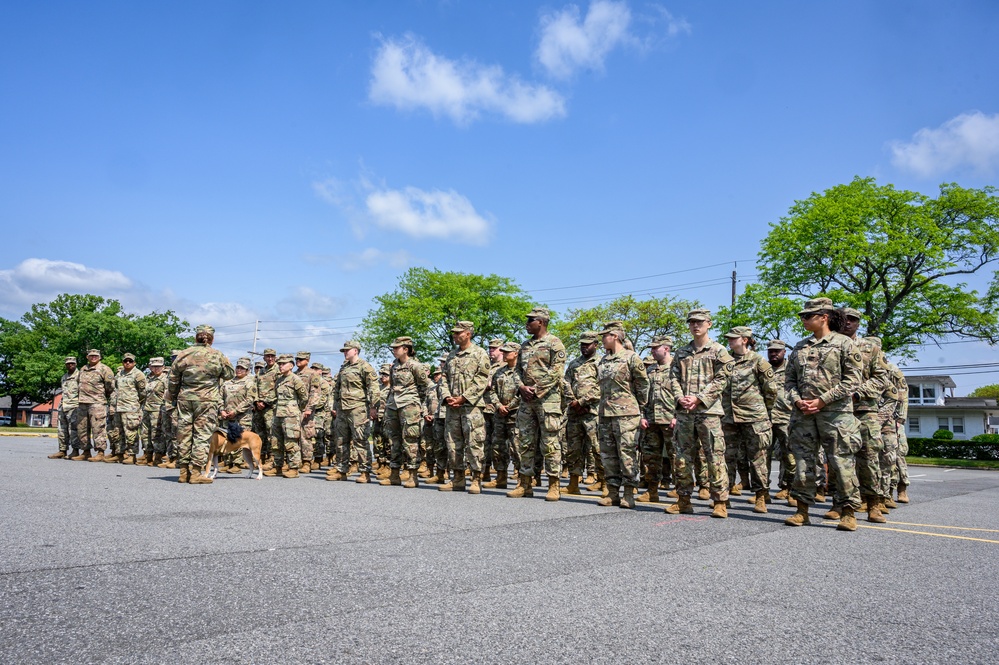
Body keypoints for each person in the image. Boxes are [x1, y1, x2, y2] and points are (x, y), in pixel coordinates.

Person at [783, 298, 864, 531]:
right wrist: (798, 400)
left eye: (808, 316)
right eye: (803, 316)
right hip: (803, 415)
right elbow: (789, 381)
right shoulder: (799, 347)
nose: (803, 319)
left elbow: (853, 381)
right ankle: (802, 511)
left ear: (824, 317)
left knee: (841, 463)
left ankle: (848, 512)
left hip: (836, 415)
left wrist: (822, 400)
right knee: (803, 463)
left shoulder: (844, 344)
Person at [665, 309, 734, 518]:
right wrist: (680, 397)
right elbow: (673, 378)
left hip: (708, 412)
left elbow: (722, 379)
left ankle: (720, 501)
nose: (695, 326)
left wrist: (699, 398)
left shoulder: (719, 351)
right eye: (692, 322)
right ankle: (684, 499)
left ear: (709, 324)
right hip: (685, 412)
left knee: (714, 456)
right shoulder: (682, 352)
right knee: (682, 457)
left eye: (700, 322)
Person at [509, 307, 567, 501]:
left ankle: (554, 485)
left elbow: (557, 371)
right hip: (526, 402)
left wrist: (537, 388)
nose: (527, 323)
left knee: (550, 443)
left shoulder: (555, 343)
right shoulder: (524, 345)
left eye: (531, 320)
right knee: (524, 442)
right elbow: (516, 371)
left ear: (541, 322)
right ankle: (525, 484)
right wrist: (521, 387)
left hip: (547, 400)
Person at [840, 308, 891, 523]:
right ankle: (840, 504)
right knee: (839, 460)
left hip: (864, 410)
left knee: (869, 457)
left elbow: (881, 378)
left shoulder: (871, 348)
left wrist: (858, 393)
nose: (849, 323)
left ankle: (873, 505)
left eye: (853, 320)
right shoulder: (832, 346)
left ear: (859, 324)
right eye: (845, 319)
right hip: (838, 411)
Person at [168, 325, 234, 484]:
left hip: (185, 400)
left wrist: (174, 397)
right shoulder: (217, 355)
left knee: (184, 434)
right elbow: (229, 374)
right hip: (207, 401)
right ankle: (196, 472)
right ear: (211, 339)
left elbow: (173, 379)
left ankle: (183, 472)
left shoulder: (184, 354)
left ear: (196, 337)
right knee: (202, 436)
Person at [721, 327, 777, 514]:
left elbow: (771, 390)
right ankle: (724, 496)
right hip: (729, 417)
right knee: (726, 457)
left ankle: (761, 496)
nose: (729, 341)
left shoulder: (758, 361)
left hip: (754, 416)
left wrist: (764, 413)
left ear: (744, 340)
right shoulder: (725, 361)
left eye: (733, 338)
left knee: (757, 458)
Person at [595, 322, 650, 509]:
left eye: (605, 336)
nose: (602, 339)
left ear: (615, 336)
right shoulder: (603, 360)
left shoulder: (631, 358)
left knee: (626, 453)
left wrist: (640, 408)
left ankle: (629, 492)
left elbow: (643, 385)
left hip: (627, 414)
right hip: (605, 414)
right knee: (608, 455)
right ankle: (612, 492)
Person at [440, 321, 491, 493]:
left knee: (474, 442)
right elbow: (444, 378)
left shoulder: (480, 353)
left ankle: (476, 478)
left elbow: (481, 380)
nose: (455, 335)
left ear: (468, 333)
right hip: (452, 407)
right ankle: (458, 478)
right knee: (453, 443)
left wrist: (463, 398)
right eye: (454, 333)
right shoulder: (451, 355)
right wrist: (447, 396)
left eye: (458, 333)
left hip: (472, 407)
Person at [381, 337, 432, 488]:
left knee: (410, 440)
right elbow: (392, 387)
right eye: (393, 347)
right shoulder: (394, 366)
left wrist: (417, 403)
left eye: (397, 347)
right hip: (393, 406)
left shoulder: (415, 366)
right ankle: (394, 474)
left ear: (406, 349)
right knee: (393, 440)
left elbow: (427, 386)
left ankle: (412, 475)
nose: (394, 350)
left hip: (409, 407)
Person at [327, 340, 381, 484]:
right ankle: (341, 470)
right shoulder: (344, 367)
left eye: (347, 350)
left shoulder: (365, 366)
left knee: (360, 441)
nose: (345, 352)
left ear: (355, 350)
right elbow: (337, 388)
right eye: (344, 350)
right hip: (342, 409)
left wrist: (374, 407)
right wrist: (335, 406)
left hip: (358, 409)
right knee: (340, 441)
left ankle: (365, 472)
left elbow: (373, 387)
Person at [637, 335, 680, 503]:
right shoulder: (650, 370)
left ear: (666, 348)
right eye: (652, 348)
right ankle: (652, 490)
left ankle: (680, 490)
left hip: (671, 420)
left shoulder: (677, 368)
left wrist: (677, 416)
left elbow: (682, 393)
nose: (652, 351)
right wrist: (642, 416)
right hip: (652, 420)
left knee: (677, 457)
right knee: (650, 458)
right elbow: (643, 396)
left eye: (656, 348)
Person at [563, 332, 602, 496]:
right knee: (573, 449)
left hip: (593, 412)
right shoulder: (574, 364)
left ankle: (604, 482)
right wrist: (573, 401)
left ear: (596, 344)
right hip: (575, 413)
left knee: (597, 448)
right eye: (582, 344)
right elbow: (565, 384)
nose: (584, 347)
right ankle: (573, 483)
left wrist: (582, 401)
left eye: (588, 344)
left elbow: (601, 386)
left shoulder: (601, 363)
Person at [767, 340, 796, 503]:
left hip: (787, 417)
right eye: (771, 351)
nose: (774, 353)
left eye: (777, 351)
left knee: (789, 455)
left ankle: (789, 489)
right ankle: (763, 492)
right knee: (763, 455)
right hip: (766, 418)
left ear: (784, 352)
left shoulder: (791, 369)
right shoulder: (764, 369)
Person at [220, 357, 258, 472]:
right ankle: (229, 462)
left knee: (239, 439)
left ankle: (237, 464)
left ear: (247, 370)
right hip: (227, 416)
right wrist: (221, 410)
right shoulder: (227, 383)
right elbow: (220, 398)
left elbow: (249, 399)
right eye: (238, 367)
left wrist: (235, 411)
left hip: (242, 417)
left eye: (243, 368)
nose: (239, 370)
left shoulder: (250, 382)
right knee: (228, 438)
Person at [108, 353, 146, 464]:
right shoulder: (119, 374)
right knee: (118, 432)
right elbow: (115, 389)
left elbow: (143, 392)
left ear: (134, 363)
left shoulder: (138, 374)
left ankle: (132, 455)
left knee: (131, 432)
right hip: (119, 407)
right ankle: (119, 454)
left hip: (131, 408)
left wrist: (135, 403)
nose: (127, 363)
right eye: (125, 361)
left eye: (130, 361)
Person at [76, 349, 115, 462]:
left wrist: (102, 396)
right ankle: (86, 451)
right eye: (91, 356)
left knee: (98, 428)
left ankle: (100, 452)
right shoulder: (83, 369)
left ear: (100, 357)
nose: (93, 357)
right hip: (82, 402)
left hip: (97, 403)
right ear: (87, 357)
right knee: (82, 428)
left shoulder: (104, 369)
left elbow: (110, 386)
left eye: (95, 356)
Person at [294, 351, 322, 473]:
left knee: (306, 436)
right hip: (293, 410)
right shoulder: (293, 374)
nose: (298, 361)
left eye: (301, 359)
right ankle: (296, 461)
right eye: (297, 358)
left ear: (307, 360)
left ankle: (307, 462)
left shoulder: (313, 374)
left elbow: (315, 393)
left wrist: (309, 408)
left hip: (306, 410)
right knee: (293, 436)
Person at [139, 357, 168, 466]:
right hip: (146, 409)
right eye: (154, 366)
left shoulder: (165, 379)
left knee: (157, 434)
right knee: (145, 433)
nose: (156, 369)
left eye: (159, 366)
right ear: (150, 367)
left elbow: (167, 396)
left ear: (163, 367)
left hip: (158, 409)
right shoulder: (148, 378)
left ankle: (158, 456)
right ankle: (148, 455)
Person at [49, 357, 80, 459]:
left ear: (75, 364)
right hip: (63, 406)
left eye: (72, 363)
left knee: (73, 430)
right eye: (68, 364)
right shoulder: (64, 377)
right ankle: (62, 450)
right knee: (62, 430)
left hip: (74, 406)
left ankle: (75, 451)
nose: (70, 365)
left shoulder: (80, 376)